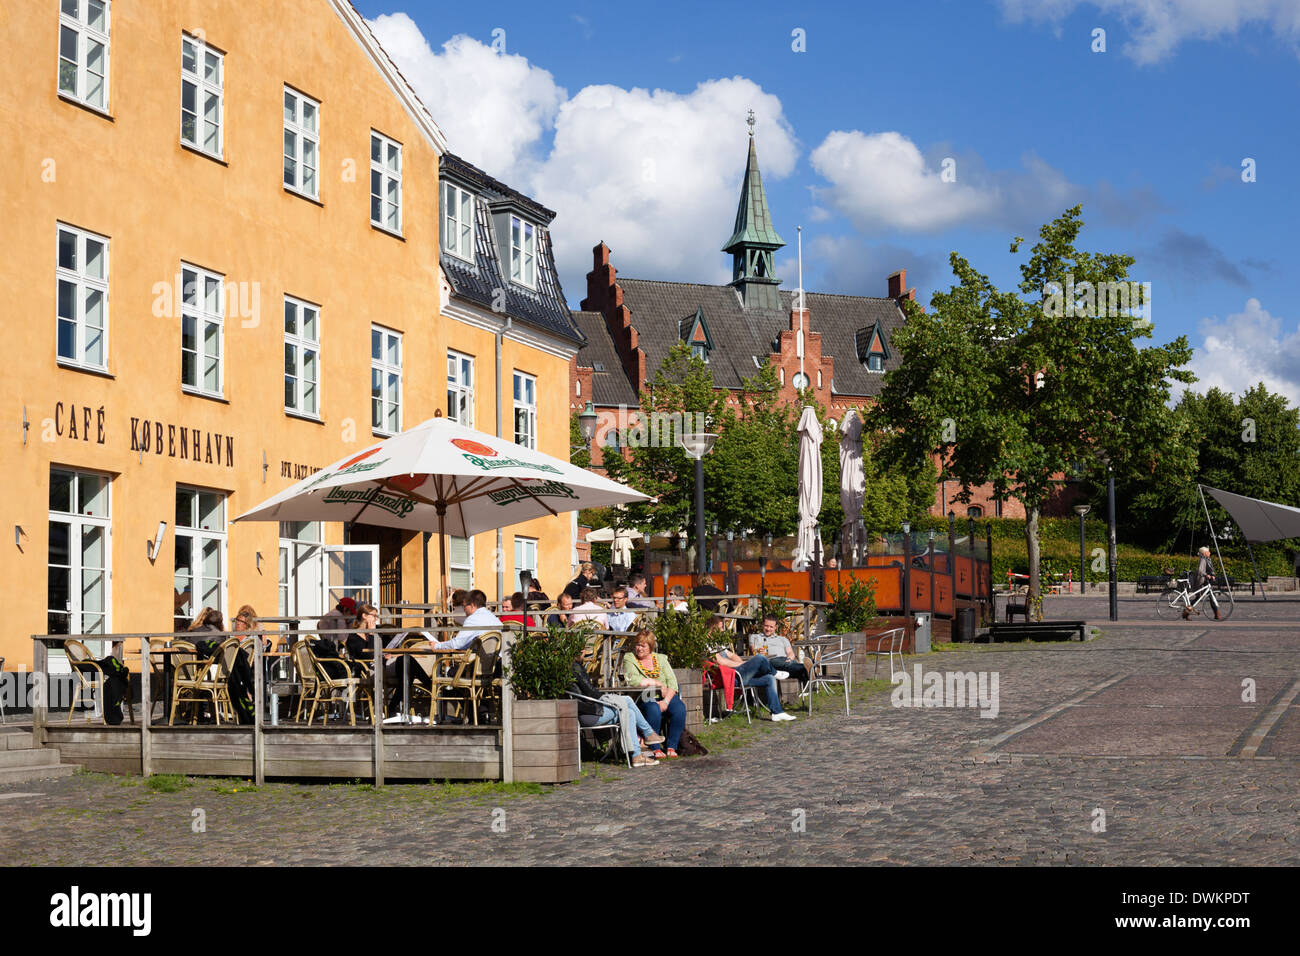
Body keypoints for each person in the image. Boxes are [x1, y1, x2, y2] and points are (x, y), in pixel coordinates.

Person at [568, 659, 664, 767]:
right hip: (589, 714)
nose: (585, 653)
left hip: (587, 712)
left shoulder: (568, 667)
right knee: (627, 700)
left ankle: (637, 755)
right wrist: (608, 699)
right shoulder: (574, 667)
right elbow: (591, 693)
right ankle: (648, 734)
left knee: (630, 712)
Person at [707, 627, 795, 721]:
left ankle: (777, 713)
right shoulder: (707, 646)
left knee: (769, 678)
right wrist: (741, 664)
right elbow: (721, 662)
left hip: (736, 674)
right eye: (720, 627)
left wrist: (740, 665)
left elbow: (732, 655)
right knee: (760, 658)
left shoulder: (717, 644)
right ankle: (774, 672)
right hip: (730, 678)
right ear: (711, 629)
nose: (722, 630)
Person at [622, 629, 686, 757]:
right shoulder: (630, 658)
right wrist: (657, 683)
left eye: (643, 645)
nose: (639, 648)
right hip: (644, 696)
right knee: (653, 709)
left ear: (650, 647)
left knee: (679, 708)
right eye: (637, 645)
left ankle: (672, 746)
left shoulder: (661, 659)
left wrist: (666, 701)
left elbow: (672, 683)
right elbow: (632, 680)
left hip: (664, 695)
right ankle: (654, 747)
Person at [748, 613, 810, 684]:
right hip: (768, 662)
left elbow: (791, 653)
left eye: (771, 627)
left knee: (791, 666)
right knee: (779, 662)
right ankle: (810, 668)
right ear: (762, 625)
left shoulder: (783, 639)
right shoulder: (755, 637)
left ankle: (807, 671)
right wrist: (757, 650)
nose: (768, 629)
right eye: (766, 626)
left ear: (775, 627)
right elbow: (752, 648)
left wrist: (789, 659)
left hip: (784, 663)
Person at [430, 589, 501, 650]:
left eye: (464, 606)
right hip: (498, 659)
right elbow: (465, 643)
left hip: (485, 662)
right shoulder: (491, 616)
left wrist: (437, 645)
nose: (464, 609)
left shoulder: (473, 619)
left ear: (472, 606)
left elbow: (457, 644)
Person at [1192, 545, 1222, 620]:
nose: (1210, 553)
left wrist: (1212, 575)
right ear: (1204, 553)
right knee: (1210, 597)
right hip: (1202, 581)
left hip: (1206, 581)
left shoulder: (1207, 559)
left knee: (1203, 597)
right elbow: (1200, 571)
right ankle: (1217, 614)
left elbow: (1210, 569)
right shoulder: (1203, 560)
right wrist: (1207, 575)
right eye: (1208, 551)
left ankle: (1217, 614)